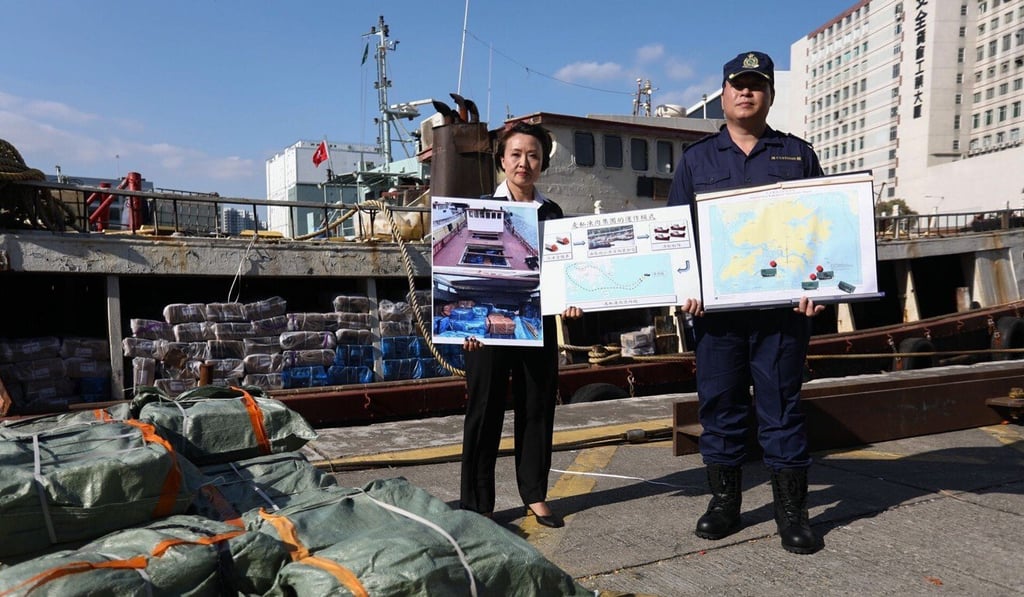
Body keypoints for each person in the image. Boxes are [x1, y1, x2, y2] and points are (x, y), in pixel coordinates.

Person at [668, 51, 826, 554]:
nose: (746, 92)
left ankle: (791, 513)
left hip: (781, 316)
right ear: (723, 94)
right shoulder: (696, 160)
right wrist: (685, 288)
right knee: (720, 407)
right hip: (717, 317)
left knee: (782, 409)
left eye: (756, 85)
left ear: (770, 95)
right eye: (738, 84)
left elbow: (820, 229)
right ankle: (725, 503)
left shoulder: (798, 155)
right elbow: (675, 234)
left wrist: (817, 289)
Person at [460, 121, 582, 528]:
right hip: (486, 325)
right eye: (515, 154)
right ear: (501, 160)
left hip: (536, 321)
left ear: (542, 162)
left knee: (537, 408)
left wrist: (571, 302)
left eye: (533, 155)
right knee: (484, 411)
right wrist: (468, 329)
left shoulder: (552, 212)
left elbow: (564, 270)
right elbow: (465, 269)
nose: (524, 163)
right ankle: (478, 503)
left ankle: (535, 494)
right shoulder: (478, 208)